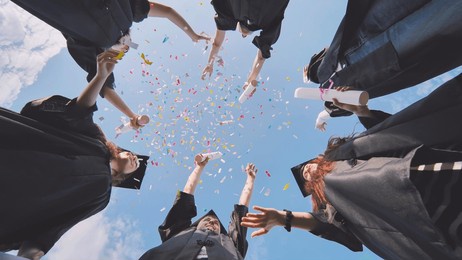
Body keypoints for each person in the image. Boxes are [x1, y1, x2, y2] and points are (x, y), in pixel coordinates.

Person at [241, 74, 462, 259]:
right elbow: (325, 223)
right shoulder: (328, 197)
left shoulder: (342, 154)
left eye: (307, 166)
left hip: (425, 165)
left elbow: (388, 136)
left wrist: (361, 111)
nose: (306, 171)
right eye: (305, 176)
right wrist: (284, 218)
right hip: (418, 215)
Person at [0, 50, 149, 260]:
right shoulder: (96, 140)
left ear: (124, 179)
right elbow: (79, 111)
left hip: (14, 202)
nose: (136, 159)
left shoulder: (101, 196)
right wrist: (100, 78)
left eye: (137, 166)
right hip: (14, 151)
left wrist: (30, 254)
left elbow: (56, 224)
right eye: (135, 156)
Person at [11, 0, 209, 128]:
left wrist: (132, 115)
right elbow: (167, 11)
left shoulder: (88, 46)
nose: (125, 49)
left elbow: (105, 87)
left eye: (121, 53)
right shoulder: (130, 12)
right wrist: (192, 34)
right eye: (126, 48)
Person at [304, 0, 462, 122]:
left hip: (362, 28)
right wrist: (324, 115)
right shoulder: (329, 97)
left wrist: (310, 71)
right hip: (382, 57)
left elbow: (328, 48)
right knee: (445, 18)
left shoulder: (316, 72)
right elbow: (345, 106)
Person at [139, 155, 258, 260]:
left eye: (215, 222)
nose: (212, 222)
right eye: (207, 220)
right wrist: (199, 168)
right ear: (197, 224)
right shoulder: (178, 232)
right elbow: (186, 195)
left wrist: (250, 179)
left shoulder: (230, 243)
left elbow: (241, 212)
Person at [201, 0, 290, 98]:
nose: (244, 34)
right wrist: (249, 82)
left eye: (243, 34)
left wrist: (210, 63)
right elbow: (261, 56)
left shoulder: (229, 12)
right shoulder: (268, 23)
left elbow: (217, 43)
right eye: (244, 35)